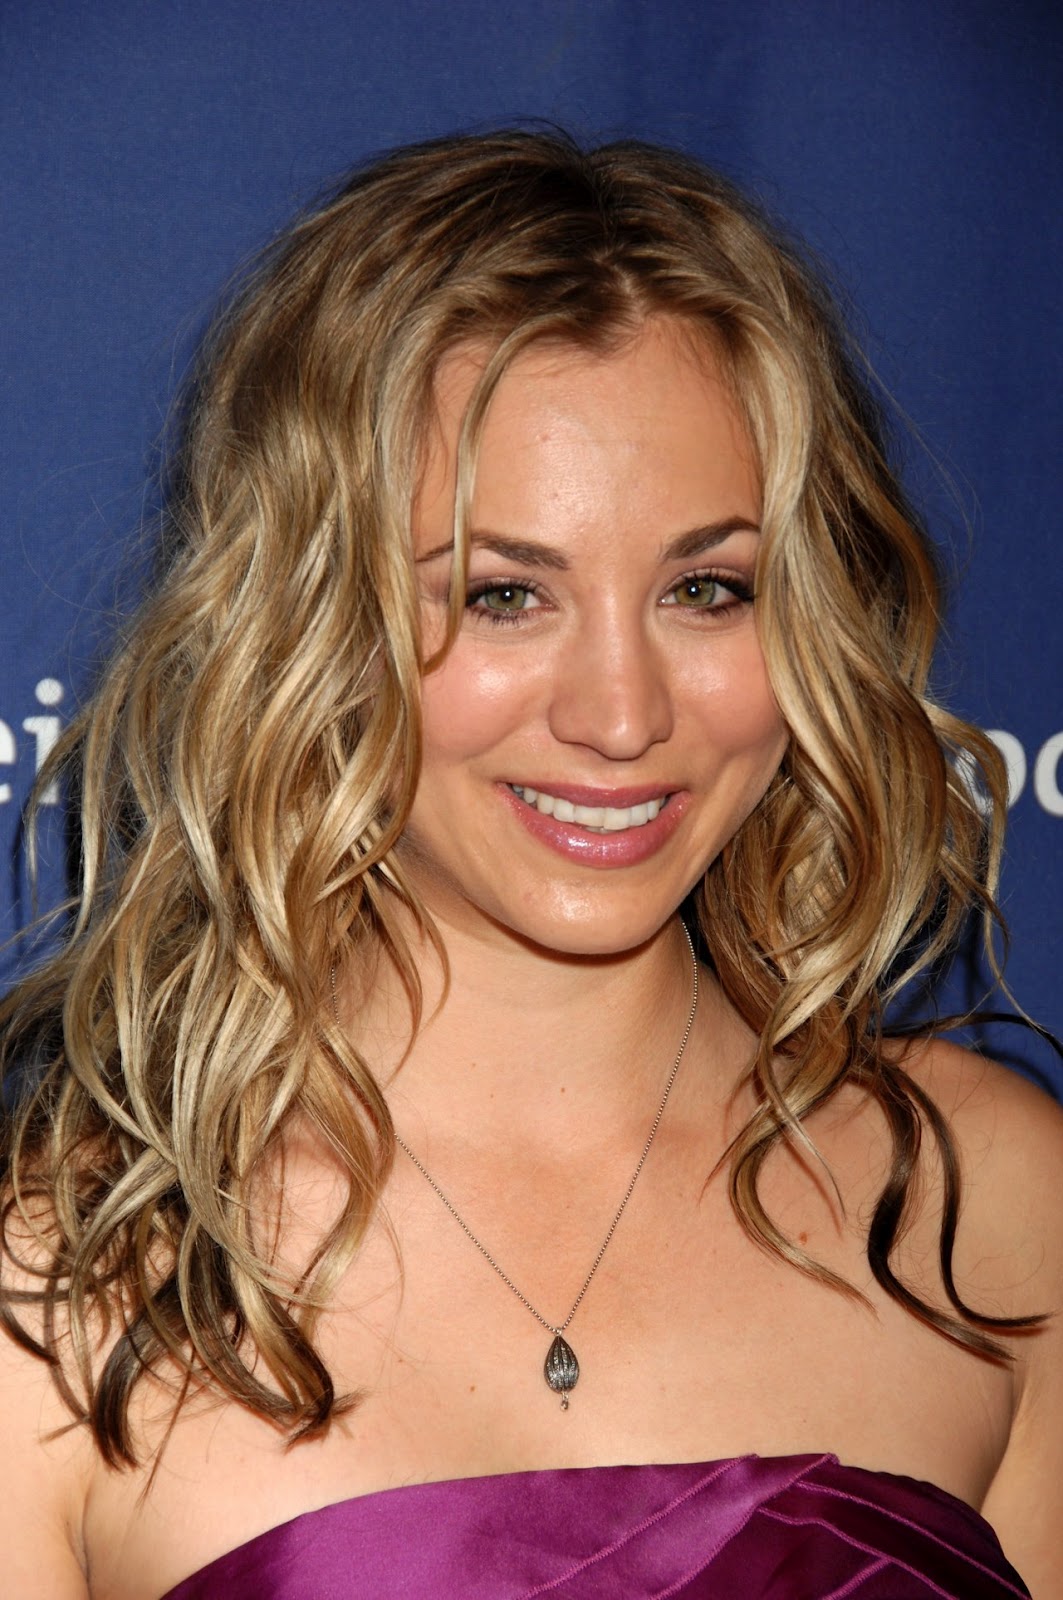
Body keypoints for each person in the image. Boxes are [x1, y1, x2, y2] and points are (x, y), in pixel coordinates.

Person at [0, 129, 1059, 1600]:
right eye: (504, 595)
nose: (621, 715)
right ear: (315, 627)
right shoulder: (61, 1286)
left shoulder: (995, 1207)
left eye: (708, 588)